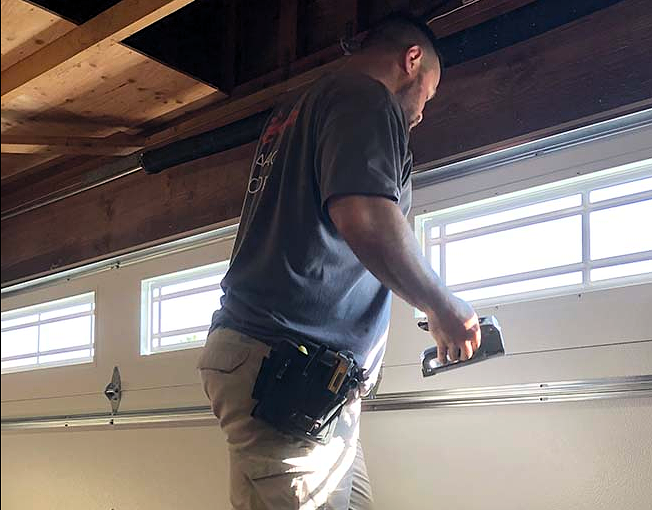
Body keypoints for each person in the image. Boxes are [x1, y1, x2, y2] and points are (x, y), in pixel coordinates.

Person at [198, 13, 481, 510]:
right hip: (284, 372)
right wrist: (439, 304)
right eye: (427, 95)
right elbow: (366, 216)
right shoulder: (364, 97)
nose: (420, 114)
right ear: (411, 60)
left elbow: (366, 221)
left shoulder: (303, 108)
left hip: (309, 385)